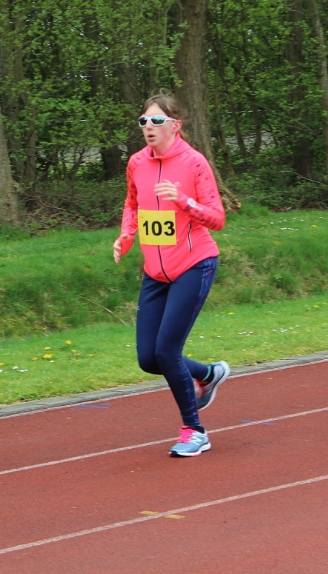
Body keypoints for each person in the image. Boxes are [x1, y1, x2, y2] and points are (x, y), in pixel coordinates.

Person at [113, 93, 229, 457]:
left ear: (175, 126)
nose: (148, 127)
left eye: (157, 121)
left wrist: (183, 201)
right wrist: (126, 235)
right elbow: (132, 204)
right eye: (143, 121)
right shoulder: (136, 163)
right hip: (155, 273)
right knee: (149, 359)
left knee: (167, 350)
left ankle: (194, 431)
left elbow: (217, 218)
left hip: (194, 264)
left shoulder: (194, 163)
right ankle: (207, 374)